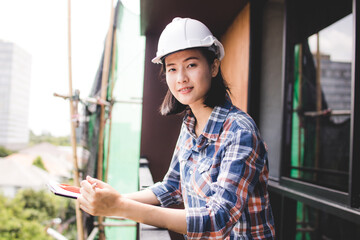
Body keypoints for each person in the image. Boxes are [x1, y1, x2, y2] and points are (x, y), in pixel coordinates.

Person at [78, 17, 276, 239]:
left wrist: (121, 208)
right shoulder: (190, 124)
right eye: (172, 69)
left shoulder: (239, 131)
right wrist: (116, 198)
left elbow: (218, 219)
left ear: (213, 67)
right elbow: (172, 186)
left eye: (191, 65)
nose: (181, 78)